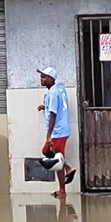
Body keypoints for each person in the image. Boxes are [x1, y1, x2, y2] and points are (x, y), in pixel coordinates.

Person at [37, 66, 76, 198]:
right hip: (64, 129)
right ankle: (66, 172)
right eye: (41, 76)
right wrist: (45, 106)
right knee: (54, 156)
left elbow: (53, 114)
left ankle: (63, 185)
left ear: (51, 79)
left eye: (44, 77)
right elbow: (55, 106)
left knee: (54, 158)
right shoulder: (59, 89)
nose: (41, 79)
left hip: (57, 131)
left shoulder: (53, 93)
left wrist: (48, 135)